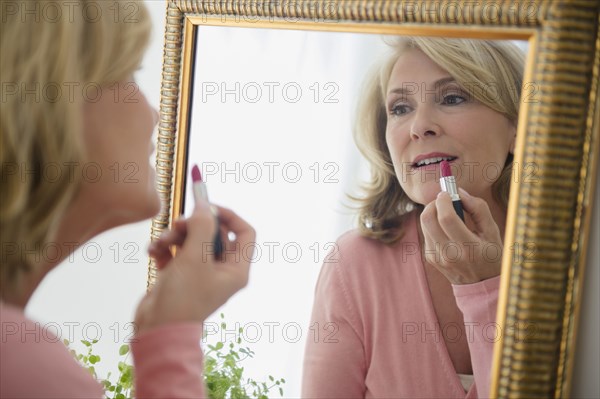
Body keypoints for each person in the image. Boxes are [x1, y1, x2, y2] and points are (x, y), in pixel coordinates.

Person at [1, 1, 254, 397]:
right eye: (130, 73)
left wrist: (165, 323)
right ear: (52, 104)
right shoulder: (22, 369)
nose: (153, 114)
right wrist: (172, 339)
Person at [302, 37, 524, 398]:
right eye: (401, 108)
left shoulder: (571, 259)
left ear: (517, 125)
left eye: (453, 98)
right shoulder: (355, 264)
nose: (420, 126)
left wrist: (485, 290)